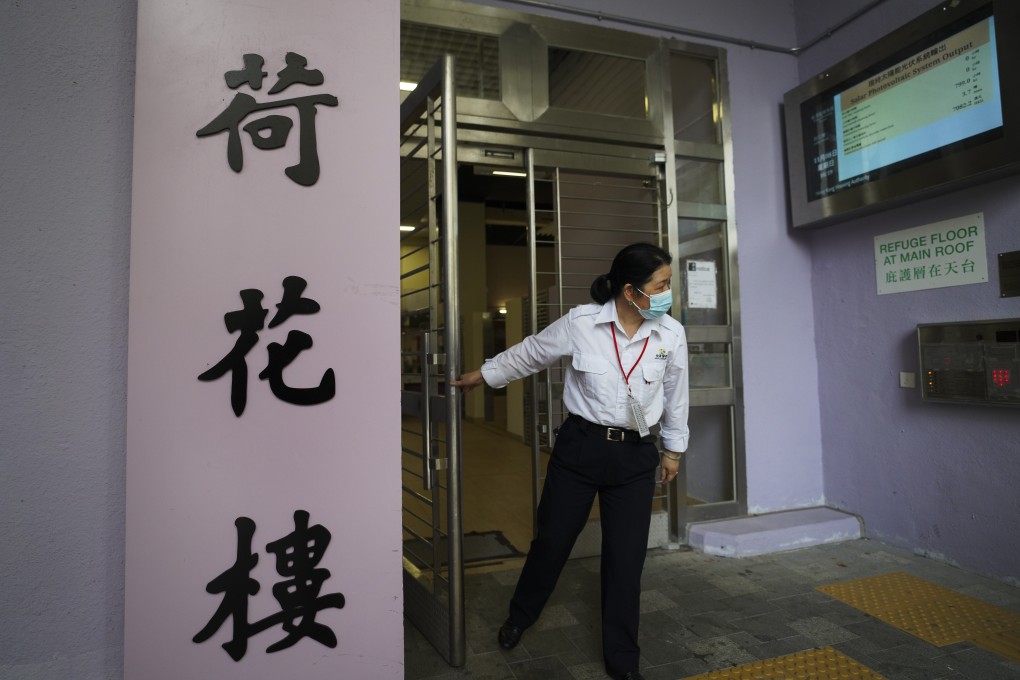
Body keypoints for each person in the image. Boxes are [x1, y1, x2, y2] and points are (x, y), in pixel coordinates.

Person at [452, 242, 689, 680]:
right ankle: (521, 615)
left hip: (637, 454)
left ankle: (623, 659)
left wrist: (672, 450)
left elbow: (677, 395)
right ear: (630, 290)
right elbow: (530, 352)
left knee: (625, 559)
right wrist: (482, 376)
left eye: (667, 283)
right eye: (661, 284)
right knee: (553, 542)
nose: (667, 292)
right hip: (580, 448)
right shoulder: (583, 322)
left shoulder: (670, 334)